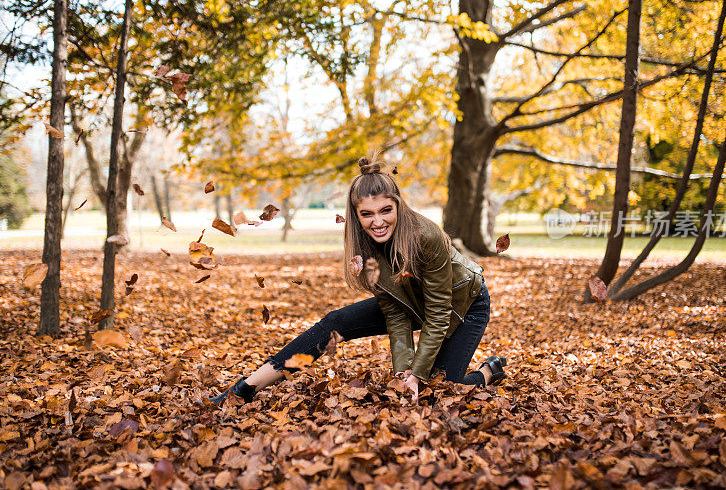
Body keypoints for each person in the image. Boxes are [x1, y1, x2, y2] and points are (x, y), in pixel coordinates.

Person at [210, 155, 506, 406]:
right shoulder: (364, 249)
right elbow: (396, 314)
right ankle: (243, 389)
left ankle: (488, 372)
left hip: (463, 305)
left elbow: (439, 313)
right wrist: (404, 374)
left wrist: (417, 375)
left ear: (398, 205)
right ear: (356, 215)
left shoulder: (426, 236)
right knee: (334, 323)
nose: (377, 222)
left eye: (386, 210)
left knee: (434, 396)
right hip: (413, 303)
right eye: (367, 214)